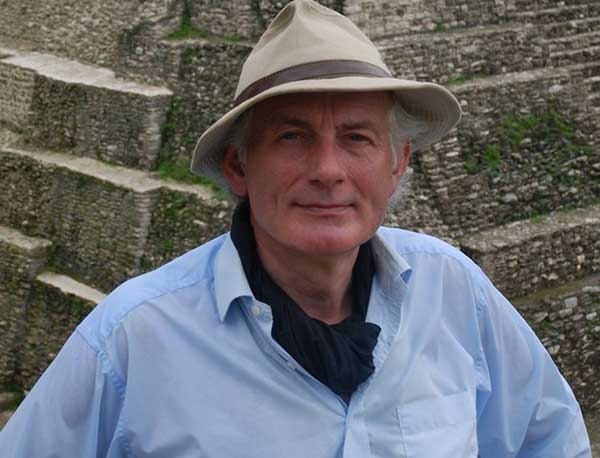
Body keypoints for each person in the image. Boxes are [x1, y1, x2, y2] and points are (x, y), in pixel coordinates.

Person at [0, 0, 592, 456]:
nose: (328, 171)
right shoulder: (133, 338)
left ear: (396, 164)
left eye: (357, 137)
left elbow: (549, 438)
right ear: (238, 167)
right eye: (292, 136)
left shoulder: (455, 293)